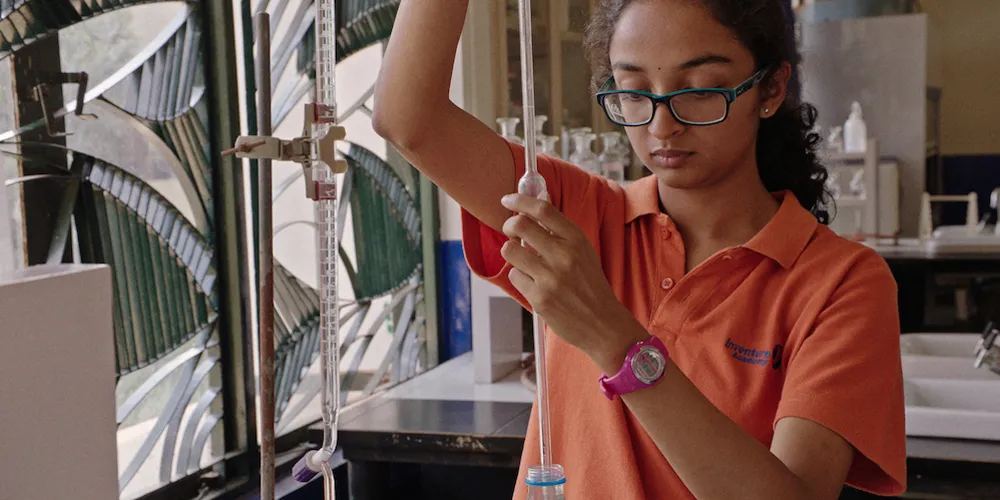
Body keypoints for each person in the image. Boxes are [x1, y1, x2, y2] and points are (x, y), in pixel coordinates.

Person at [373, 0, 906, 498]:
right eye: (632, 91)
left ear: (770, 89)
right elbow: (408, 118)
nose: (661, 125)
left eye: (700, 88)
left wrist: (616, 340)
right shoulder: (579, 212)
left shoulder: (842, 282)